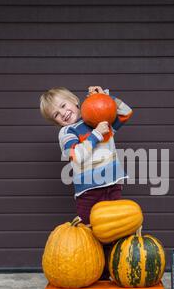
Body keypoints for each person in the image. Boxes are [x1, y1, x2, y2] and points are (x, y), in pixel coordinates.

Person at [40, 85, 133, 278]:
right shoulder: (67, 133)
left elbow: (125, 112)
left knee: (117, 228)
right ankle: (95, 271)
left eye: (64, 106)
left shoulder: (98, 117)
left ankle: (117, 269)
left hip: (112, 185)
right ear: (55, 122)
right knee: (90, 233)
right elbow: (76, 155)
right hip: (88, 192)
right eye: (57, 114)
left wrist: (105, 97)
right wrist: (97, 134)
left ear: (75, 100)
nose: (63, 113)